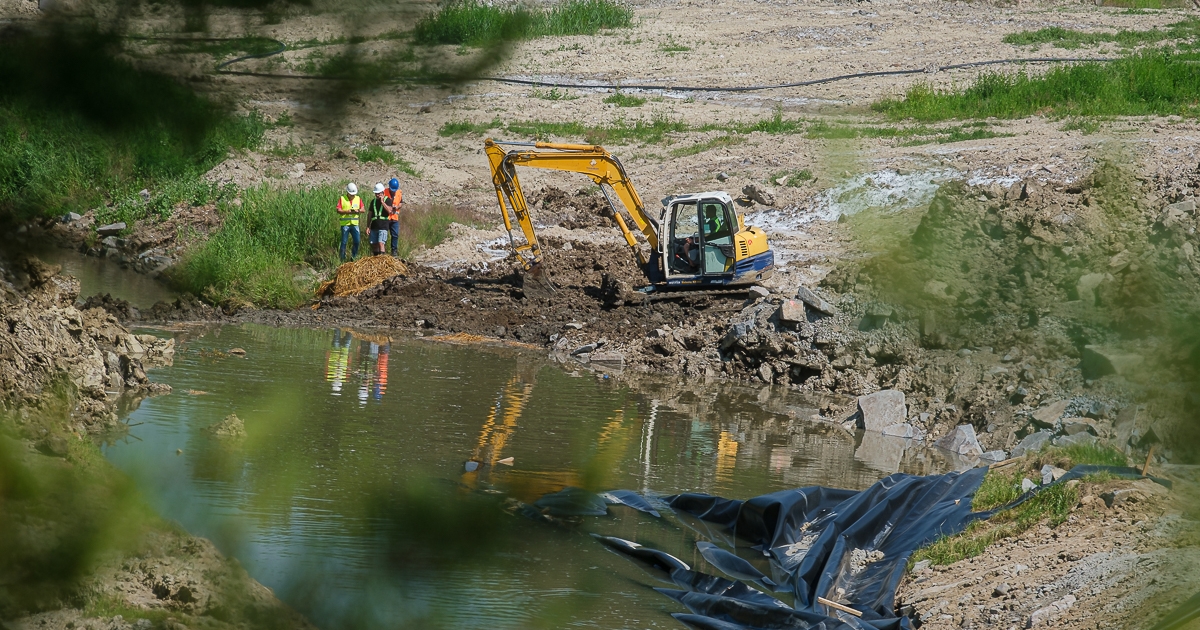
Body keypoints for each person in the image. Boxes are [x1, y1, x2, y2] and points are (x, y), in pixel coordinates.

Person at [337, 183, 362, 261]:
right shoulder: (342, 199)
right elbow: (338, 210)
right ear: (347, 192)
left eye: (353, 194)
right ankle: (342, 259)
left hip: (355, 224)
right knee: (344, 242)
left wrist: (358, 210)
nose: (352, 196)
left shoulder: (358, 198)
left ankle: (353, 257)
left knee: (357, 241)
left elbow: (363, 209)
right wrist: (347, 211)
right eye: (351, 194)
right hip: (345, 224)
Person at [367, 183, 391, 256]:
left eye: (378, 193)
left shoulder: (387, 200)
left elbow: (389, 211)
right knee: (374, 244)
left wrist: (382, 202)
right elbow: (369, 214)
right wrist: (368, 226)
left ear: (382, 192)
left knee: (381, 243)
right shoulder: (373, 202)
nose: (377, 195)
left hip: (383, 226)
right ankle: (376, 259)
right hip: (374, 226)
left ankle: (382, 259)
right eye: (376, 193)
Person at [386, 178, 403, 257]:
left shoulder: (399, 193)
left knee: (395, 235)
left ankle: (394, 251)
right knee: (384, 235)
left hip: (395, 218)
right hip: (386, 218)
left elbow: (401, 203)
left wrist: (397, 207)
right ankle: (383, 251)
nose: (393, 191)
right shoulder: (384, 192)